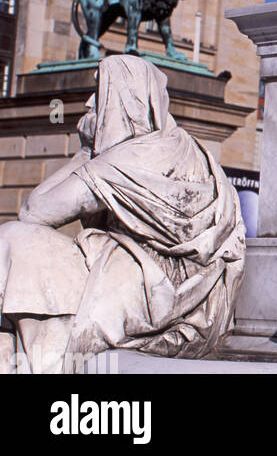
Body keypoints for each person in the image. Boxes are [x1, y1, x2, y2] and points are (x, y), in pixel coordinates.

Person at [0, 55, 244, 373]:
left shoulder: (126, 159)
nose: (89, 103)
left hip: (146, 294)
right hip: (197, 306)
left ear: (123, 99)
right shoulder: (192, 149)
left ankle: (43, 366)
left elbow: (34, 212)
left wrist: (87, 152)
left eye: (99, 92)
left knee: (18, 238)